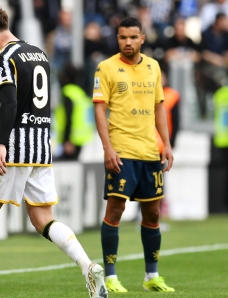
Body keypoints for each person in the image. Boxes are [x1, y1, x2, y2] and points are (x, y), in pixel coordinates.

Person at [0, 6, 108, 298]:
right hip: (41, 147)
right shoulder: (38, 53)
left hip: (13, 146)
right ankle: (88, 266)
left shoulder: (1, 57)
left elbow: (12, 104)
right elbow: (29, 94)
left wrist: (0, 143)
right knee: (43, 219)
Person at [92, 16, 175, 293]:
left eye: (133, 37)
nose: (127, 42)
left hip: (150, 152)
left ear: (142, 38)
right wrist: (107, 148)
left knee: (152, 214)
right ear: (118, 39)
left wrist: (167, 144)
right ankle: (111, 275)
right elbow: (100, 109)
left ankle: (152, 275)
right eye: (122, 37)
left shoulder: (154, 67)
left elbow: (159, 107)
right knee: (115, 210)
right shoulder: (106, 68)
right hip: (122, 151)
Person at [54, 62, 95, 161]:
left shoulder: (68, 92)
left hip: (71, 140)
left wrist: (67, 140)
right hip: (81, 138)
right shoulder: (80, 93)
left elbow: (69, 117)